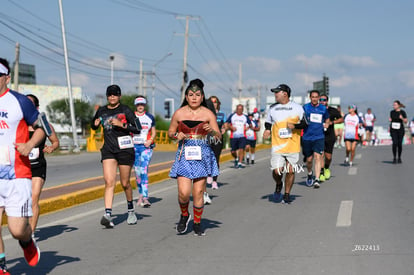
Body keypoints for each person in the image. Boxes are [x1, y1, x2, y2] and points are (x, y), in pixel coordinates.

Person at [0, 58, 42, 273]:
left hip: (17, 174)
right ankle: (1, 265)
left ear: (7, 78)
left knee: (17, 229)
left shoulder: (20, 101)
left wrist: (30, 144)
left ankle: (26, 242)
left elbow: (42, 128)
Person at [168, 79, 220, 236]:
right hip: (184, 155)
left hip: (202, 154)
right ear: (186, 96)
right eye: (191, 95)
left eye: (197, 95)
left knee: (198, 192)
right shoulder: (179, 113)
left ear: (202, 97)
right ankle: (184, 215)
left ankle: (197, 223)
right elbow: (170, 133)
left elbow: (218, 136)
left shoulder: (208, 113)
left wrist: (211, 130)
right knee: (183, 193)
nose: (194, 98)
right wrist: (177, 134)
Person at [91, 84, 141, 228]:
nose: (112, 97)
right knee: (109, 181)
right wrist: (94, 124)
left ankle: (131, 210)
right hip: (108, 150)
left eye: (115, 94)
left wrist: (122, 124)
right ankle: (107, 214)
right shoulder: (102, 110)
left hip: (125, 149)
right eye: (110, 95)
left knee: (125, 183)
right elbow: (94, 124)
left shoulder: (125, 110)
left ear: (119, 96)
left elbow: (137, 128)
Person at [263, 84, 306, 204]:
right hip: (278, 145)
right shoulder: (272, 108)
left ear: (285, 94)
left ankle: (287, 194)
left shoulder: (297, 108)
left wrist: (295, 126)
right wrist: (267, 129)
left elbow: (305, 124)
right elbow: (268, 122)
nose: (275, 94)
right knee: (277, 171)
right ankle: (278, 183)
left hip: (292, 144)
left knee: (290, 171)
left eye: (277, 92)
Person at [26, 94, 60, 237]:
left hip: (37, 167)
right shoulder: (17, 125)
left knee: (34, 198)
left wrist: (51, 148)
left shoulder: (45, 124)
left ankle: (31, 234)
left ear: (36, 108)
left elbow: (56, 142)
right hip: (21, 168)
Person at [302, 90, 330, 188]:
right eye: (312, 97)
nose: (314, 99)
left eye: (316, 97)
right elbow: (300, 119)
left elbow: (327, 119)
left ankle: (317, 179)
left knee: (318, 157)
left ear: (318, 98)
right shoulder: (305, 107)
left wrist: (327, 123)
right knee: (309, 160)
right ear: (310, 98)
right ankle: (310, 174)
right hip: (307, 137)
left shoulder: (323, 108)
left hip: (319, 137)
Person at [132, 95, 156, 208]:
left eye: (142, 104)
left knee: (144, 170)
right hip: (133, 147)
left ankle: (145, 197)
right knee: (137, 172)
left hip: (146, 147)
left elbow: (154, 132)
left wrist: (150, 140)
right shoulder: (131, 117)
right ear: (135, 105)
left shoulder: (150, 117)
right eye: (138, 104)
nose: (140, 106)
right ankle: (140, 195)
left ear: (144, 105)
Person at [318, 94, 343, 181]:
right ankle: (321, 173)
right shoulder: (316, 110)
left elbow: (341, 119)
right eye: (320, 99)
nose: (322, 101)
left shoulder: (332, 110)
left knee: (328, 157)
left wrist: (332, 122)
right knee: (320, 155)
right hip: (319, 135)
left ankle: (326, 168)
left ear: (327, 101)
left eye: (324, 100)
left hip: (330, 135)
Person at [207, 95, 226, 190]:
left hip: (218, 139)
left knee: (216, 159)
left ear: (218, 103)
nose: (213, 104)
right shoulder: (206, 114)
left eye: (215, 102)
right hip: (208, 137)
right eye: (211, 102)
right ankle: (208, 174)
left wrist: (223, 129)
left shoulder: (222, 114)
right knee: (207, 157)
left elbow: (225, 125)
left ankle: (214, 181)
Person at [224, 104, 252, 168]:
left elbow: (250, 124)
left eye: (240, 109)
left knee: (241, 149)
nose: (239, 110)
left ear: (242, 110)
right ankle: (236, 158)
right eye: (238, 109)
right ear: (236, 109)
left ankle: (240, 163)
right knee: (233, 151)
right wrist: (231, 127)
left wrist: (247, 128)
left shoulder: (245, 117)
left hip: (242, 136)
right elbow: (226, 123)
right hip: (233, 136)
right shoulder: (232, 116)